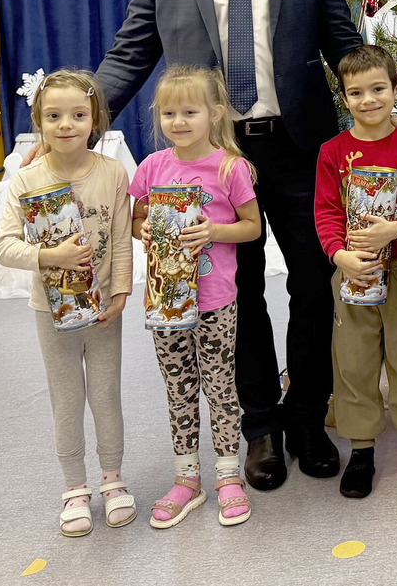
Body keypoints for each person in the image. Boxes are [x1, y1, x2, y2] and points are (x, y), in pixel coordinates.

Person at [94, 0, 362, 490]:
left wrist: (382, 115)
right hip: (212, 160)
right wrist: (80, 122)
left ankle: (307, 419)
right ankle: (261, 429)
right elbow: (132, 51)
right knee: (235, 295)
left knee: (312, 284)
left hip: (299, 145)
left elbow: (342, 41)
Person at [0, 70, 136, 536]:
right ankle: (74, 488)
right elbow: (2, 244)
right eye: (53, 116)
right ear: (37, 120)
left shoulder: (113, 172)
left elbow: (119, 237)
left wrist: (120, 291)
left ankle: (113, 481)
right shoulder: (26, 179)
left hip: (102, 313)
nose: (66, 124)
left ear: (95, 119)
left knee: (105, 395)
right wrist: (49, 256)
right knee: (66, 399)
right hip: (50, 312)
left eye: (78, 114)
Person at [313, 46, 397, 499]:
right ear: (344, 98)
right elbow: (326, 213)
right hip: (352, 272)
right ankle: (362, 448)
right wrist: (338, 256)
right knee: (353, 359)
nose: (368, 100)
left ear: (396, 90)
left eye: (377, 89)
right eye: (356, 93)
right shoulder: (332, 153)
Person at [129, 66, 260, 528]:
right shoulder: (151, 167)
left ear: (215, 113)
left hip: (216, 300)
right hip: (166, 300)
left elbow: (252, 226)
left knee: (220, 384)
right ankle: (187, 478)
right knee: (179, 386)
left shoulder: (231, 166)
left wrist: (214, 230)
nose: (179, 121)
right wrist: (141, 228)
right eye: (168, 112)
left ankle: (228, 474)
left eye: (190, 111)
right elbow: (134, 221)